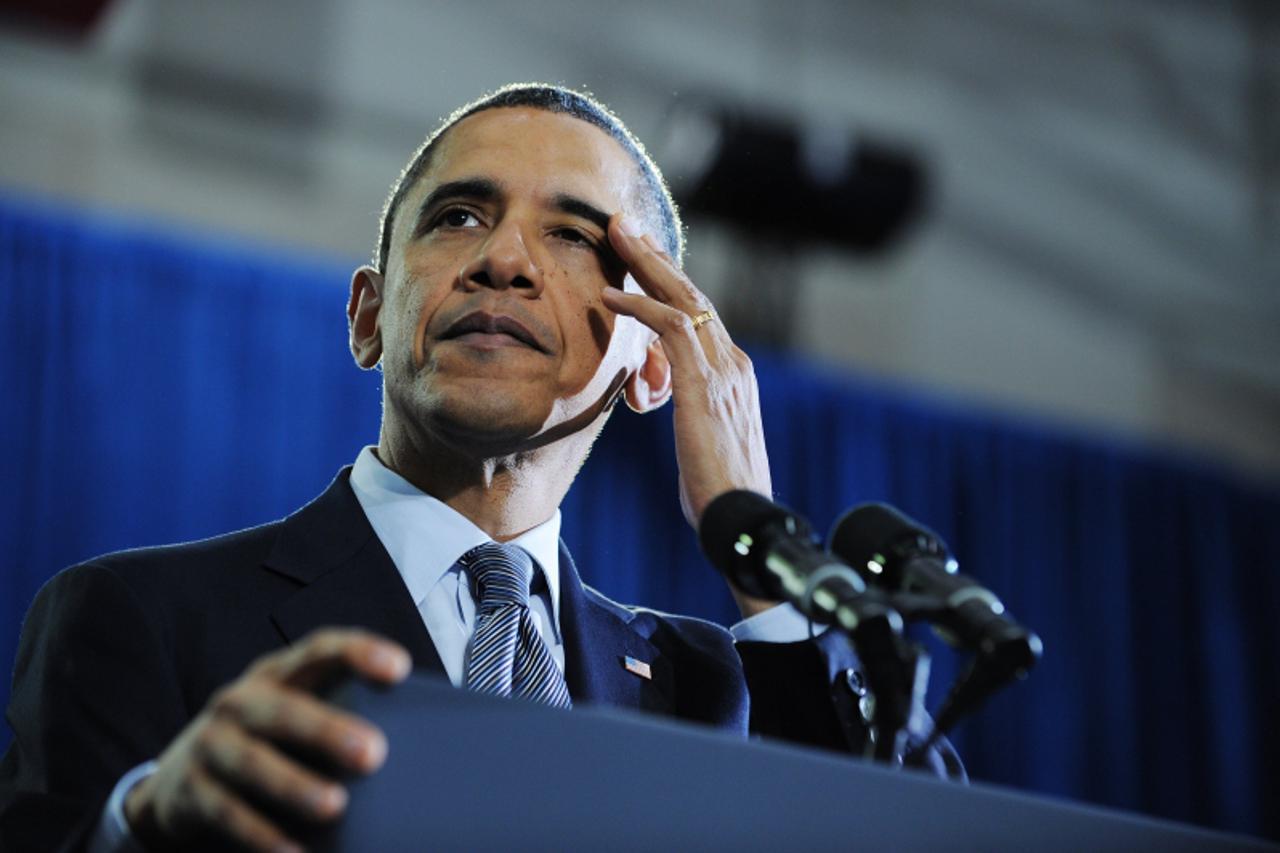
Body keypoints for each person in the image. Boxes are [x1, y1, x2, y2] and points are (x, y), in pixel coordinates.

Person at [0, 84, 961, 853]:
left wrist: (755, 545)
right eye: (458, 216)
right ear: (369, 315)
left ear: (653, 361)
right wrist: (139, 828)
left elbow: (915, 836)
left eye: (575, 236)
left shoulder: (711, 686)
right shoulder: (138, 617)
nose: (503, 259)